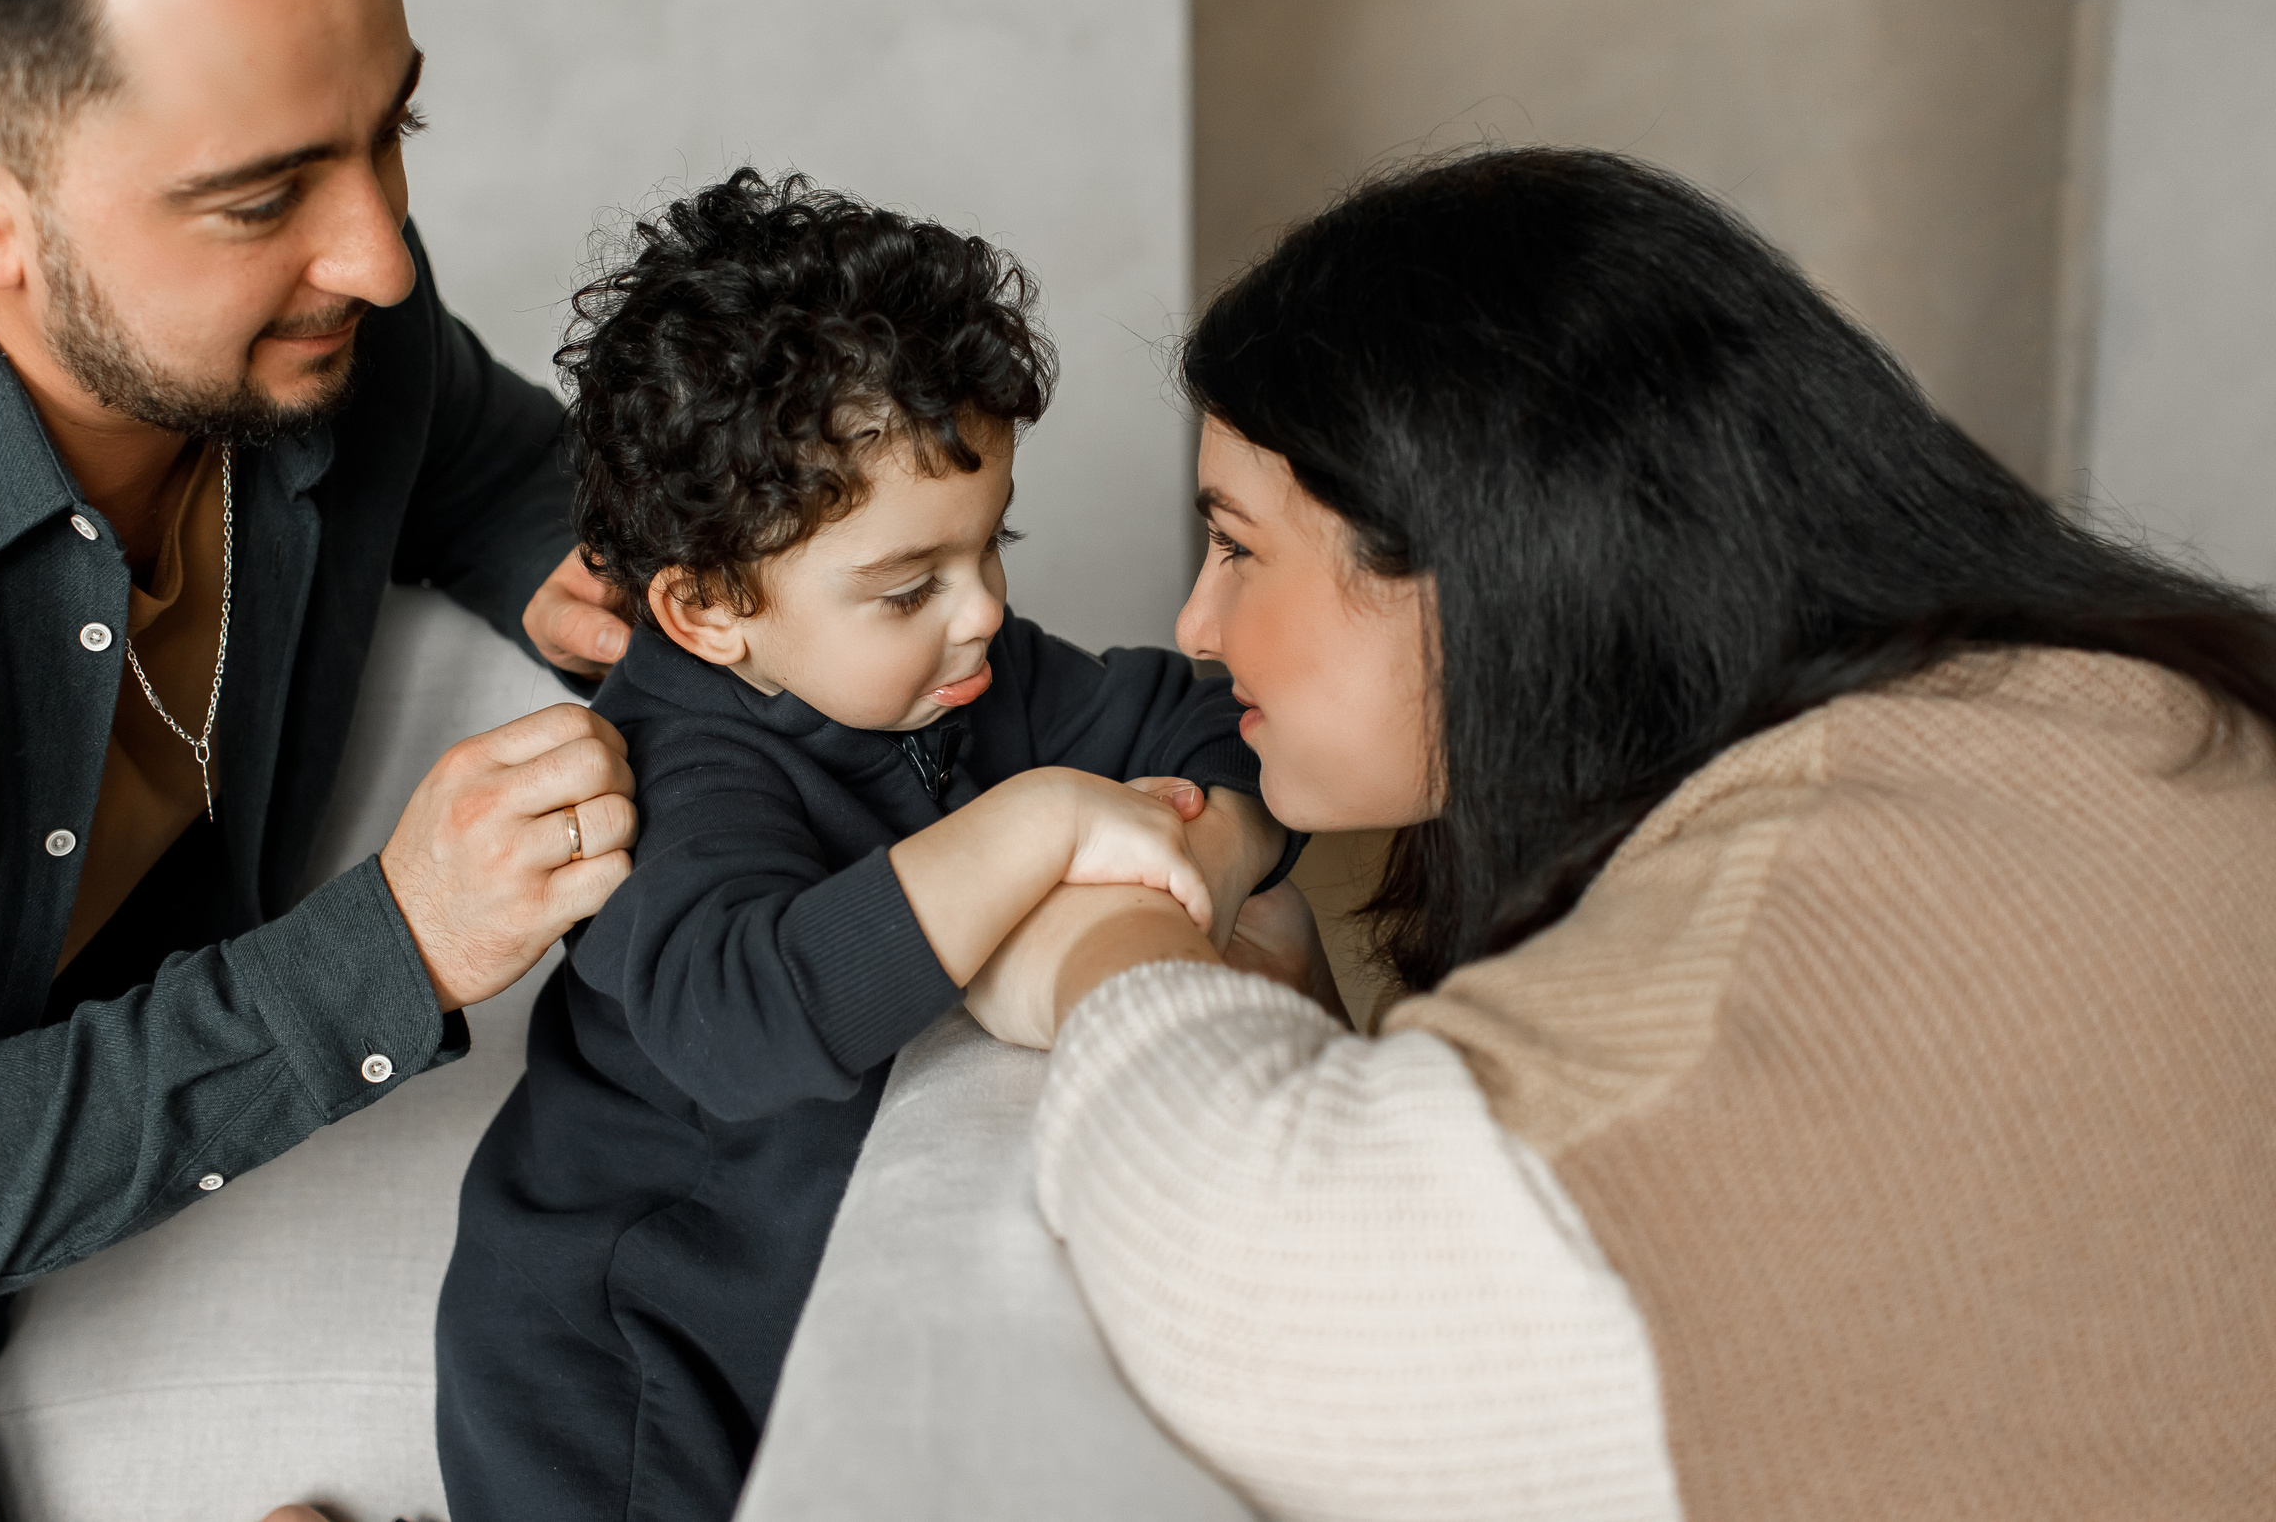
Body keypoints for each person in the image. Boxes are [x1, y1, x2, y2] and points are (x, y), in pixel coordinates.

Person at [966, 148, 2276, 1521]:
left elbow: (1293, 1290)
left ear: (1482, 550)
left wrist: (1108, 943)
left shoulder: (1842, 870)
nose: (1196, 626)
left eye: (1237, 546)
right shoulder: (2125, 713)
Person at [0, 0, 642, 1518]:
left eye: (393, 129)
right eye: (262, 196)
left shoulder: (323, 317)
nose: (376, 250)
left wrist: (605, 577)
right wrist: (393, 949)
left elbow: (478, 460)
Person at [433, 170, 1301, 1521]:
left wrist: (1224, 846)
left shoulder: (955, 669)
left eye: (990, 548)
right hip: (626, 1356)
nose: (982, 616)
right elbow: (744, 1019)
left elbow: (1213, 721)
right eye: (909, 587)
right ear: (709, 609)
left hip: (808, 1282)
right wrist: (1039, 819)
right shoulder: (665, 774)